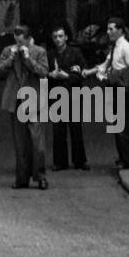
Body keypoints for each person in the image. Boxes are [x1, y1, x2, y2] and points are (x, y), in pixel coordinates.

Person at [0, 24, 50, 189]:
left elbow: (44, 72)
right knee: (20, 143)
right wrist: (11, 59)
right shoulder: (8, 51)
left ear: (28, 39)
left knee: (37, 142)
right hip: (16, 101)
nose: (18, 44)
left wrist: (28, 58)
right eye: (16, 41)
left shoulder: (39, 51)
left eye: (21, 41)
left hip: (34, 100)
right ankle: (22, 178)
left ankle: (40, 176)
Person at [87, 17, 129, 170]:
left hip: (124, 90)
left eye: (111, 29)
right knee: (118, 126)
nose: (108, 32)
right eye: (108, 28)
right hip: (116, 89)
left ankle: (128, 160)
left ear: (120, 30)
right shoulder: (115, 47)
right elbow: (105, 65)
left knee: (124, 127)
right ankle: (124, 157)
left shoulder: (126, 48)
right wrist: (89, 72)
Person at [47, 25, 89, 171]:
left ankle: (80, 161)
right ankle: (60, 162)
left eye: (60, 36)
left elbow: (83, 71)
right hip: (56, 95)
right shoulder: (50, 54)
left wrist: (67, 76)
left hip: (73, 94)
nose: (58, 39)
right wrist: (50, 75)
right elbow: (45, 72)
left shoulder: (75, 53)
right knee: (58, 131)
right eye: (55, 37)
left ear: (66, 37)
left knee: (76, 129)